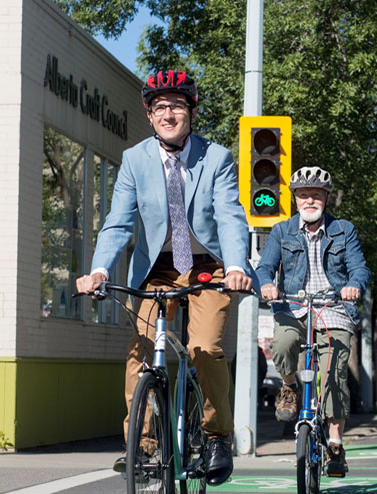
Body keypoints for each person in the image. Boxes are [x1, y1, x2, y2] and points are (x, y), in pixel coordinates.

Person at [75, 70, 253, 486]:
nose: (167, 114)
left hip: (207, 263)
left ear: (191, 112)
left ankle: (216, 436)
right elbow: (118, 223)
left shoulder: (217, 158)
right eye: (159, 108)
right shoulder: (135, 159)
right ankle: (143, 445)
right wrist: (100, 269)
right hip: (158, 267)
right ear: (150, 115)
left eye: (176, 106)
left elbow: (229, 217)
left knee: (204, 348)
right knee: (140, 349)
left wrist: (239, 266)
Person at [256, 166, 370, 478]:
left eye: (316, 195)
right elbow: (266, 267)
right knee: (283, 343)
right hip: (293, 307)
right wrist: (266, 283)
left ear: (326, 199)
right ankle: (289, 386)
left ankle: (334, 443)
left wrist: (354, 285)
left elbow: (359, 268)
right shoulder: (282, 231)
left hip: (334, 308)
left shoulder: (343, 230)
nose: (310, 200)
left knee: (334, 376)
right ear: (295, 200)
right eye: (304, 195)